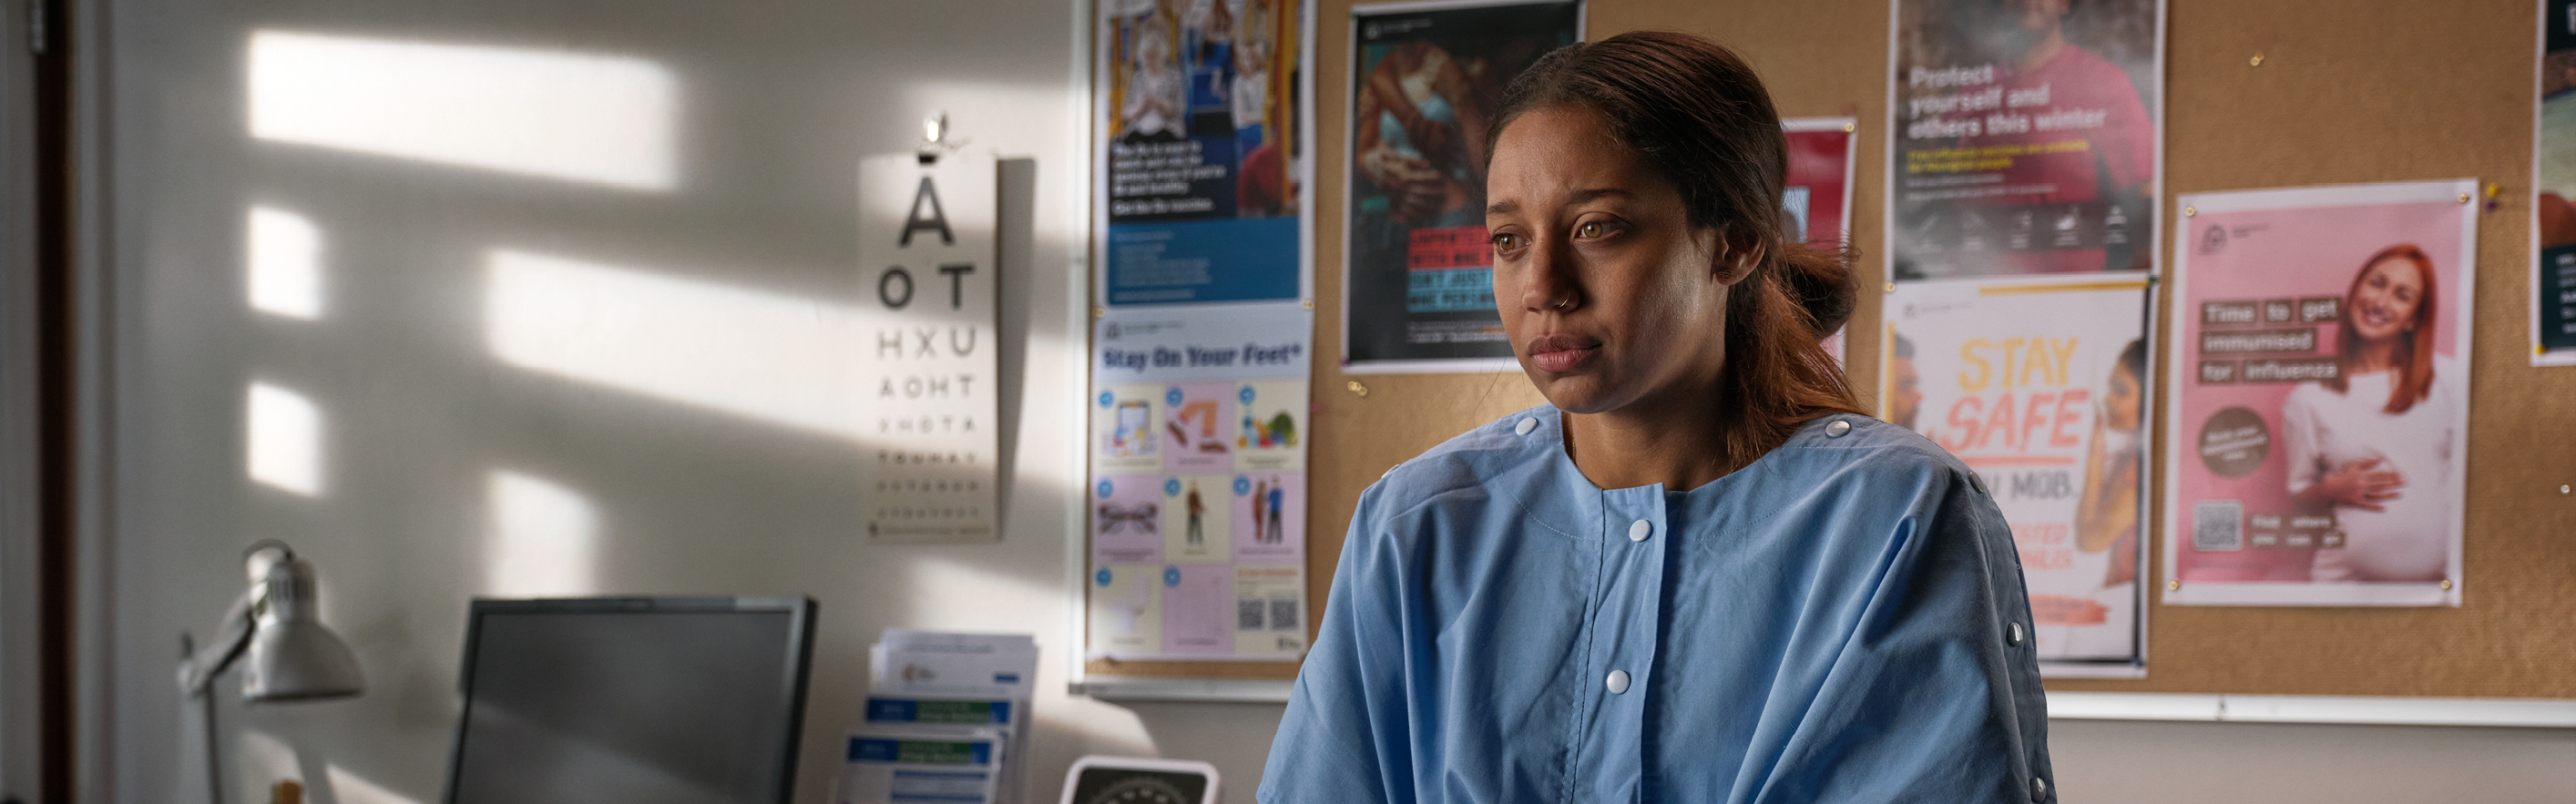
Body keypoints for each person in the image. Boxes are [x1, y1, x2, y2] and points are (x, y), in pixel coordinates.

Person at [1262, 32, 2053, 803]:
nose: (1544, 285)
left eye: (1596, 227)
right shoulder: (1416, 527)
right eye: (1509, 239)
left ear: (1736, 242)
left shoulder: (1894, 517)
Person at [2282, 245, 2459, 583]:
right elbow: (2301, 503)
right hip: (2342, 588)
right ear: (2356, 290)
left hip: (2438, 595)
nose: (2380, 302)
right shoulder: (2308, 398)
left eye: (2402, 295)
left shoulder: (2449, 380)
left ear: (2414, 318)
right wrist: (2333, 488)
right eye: (2376, 283)